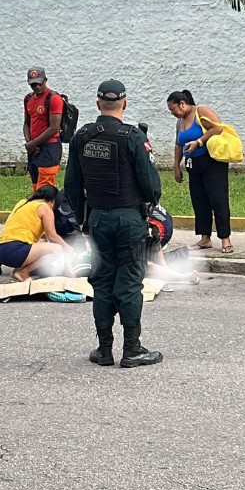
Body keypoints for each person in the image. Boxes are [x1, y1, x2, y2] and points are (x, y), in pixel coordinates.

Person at [65, 79, 164, 368]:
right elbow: (151, 184)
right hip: (129, 219)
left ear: (98, 105)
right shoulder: (132, 137)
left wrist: (84, 219)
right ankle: (132, 349)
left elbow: (72, 186)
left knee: (103, 281)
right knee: (130, 283)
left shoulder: (82, 137)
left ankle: (104, 349)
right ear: (125, 103)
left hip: (97, 219)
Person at [167, 90, 233, 254]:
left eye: (173, 109)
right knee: (199, 201)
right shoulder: (180, 122)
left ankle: (225, 238)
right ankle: (205, 238)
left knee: (218, 200)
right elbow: (178, 144)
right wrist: (176, 165)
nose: (173, 113)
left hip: (211, 163)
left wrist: (199, 142)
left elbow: (218, 128)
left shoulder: (200, 111)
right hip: (193, 165)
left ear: (182, 104)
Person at [0, 184, 73, 282]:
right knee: (58, 250)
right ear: (52, 201)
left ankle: (17, 271)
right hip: (14, 251)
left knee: (46, 246)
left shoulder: (23, 203)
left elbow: (43, 237)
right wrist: (67, 248)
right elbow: (52, 236)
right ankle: (23, 272)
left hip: (1, 250)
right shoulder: (45, 208)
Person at [23, 68, 66, 190]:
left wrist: (33, 143)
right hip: (33, 149)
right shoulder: (28, 99)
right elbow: (27, 123)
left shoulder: (53, 98)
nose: (36, 87)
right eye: (33, 84)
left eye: (39, 83)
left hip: (49, 148)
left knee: (46, 189)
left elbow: (54, 128)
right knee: (35, 186)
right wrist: (29, 142)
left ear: (45, 80)